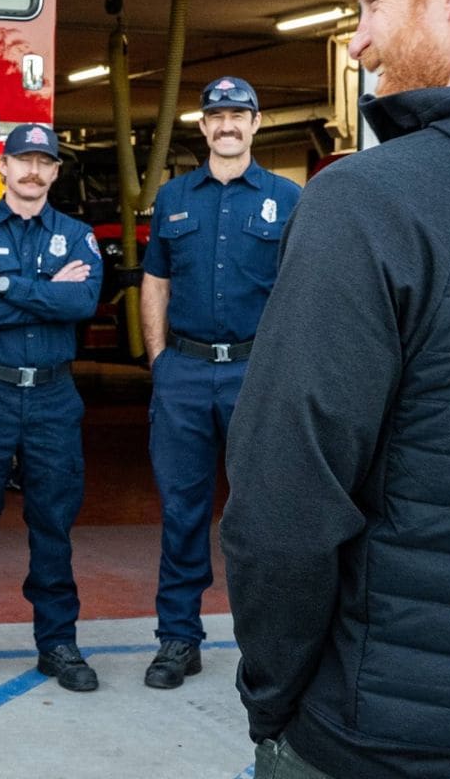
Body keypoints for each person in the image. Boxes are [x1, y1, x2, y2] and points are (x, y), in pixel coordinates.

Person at [222, 0, 450, 779]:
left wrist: (281, 706)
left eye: (370, 3)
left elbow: (284, 508)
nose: (360, 41)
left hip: (386, 737)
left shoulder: (371, 203)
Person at [139, 77, 300, 690]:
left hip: (256, 373)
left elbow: (300, 291)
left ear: (256, 123)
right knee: (182, 511)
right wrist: (159, 361)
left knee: (263, 514)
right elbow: (156, 282)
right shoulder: (174, 197)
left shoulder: (289, 199)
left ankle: (268, 647)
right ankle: (178, 641)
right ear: (202, 127)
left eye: (238, 115)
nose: (227, 125)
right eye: (216, 116)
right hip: (182, 372)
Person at [0, 123, 103, 692]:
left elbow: (81, 302)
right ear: (2, 166)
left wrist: (5, 286)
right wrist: (44, 291)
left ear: (56, 172)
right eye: (22, 160)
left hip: (54, 396)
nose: (33, 170)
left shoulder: (78, 236)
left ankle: (57, 645)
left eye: (44, 162)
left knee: (53, 525)